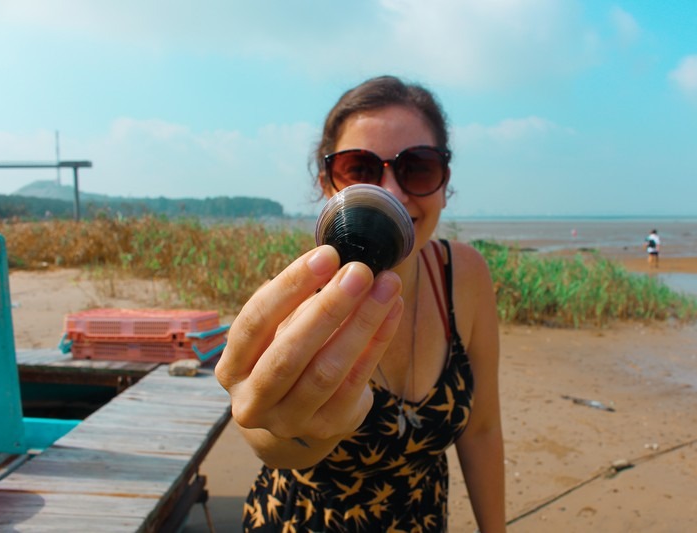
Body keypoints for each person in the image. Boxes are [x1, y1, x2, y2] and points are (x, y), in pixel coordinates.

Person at [215, 75, 505, 532]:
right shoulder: (300, 298)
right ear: (326, 184)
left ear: (445, 184)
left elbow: (483, 428)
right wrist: (279, 431)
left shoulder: (464, 276)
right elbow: (274, 443)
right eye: (359, 169)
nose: (390, 190)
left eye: (419, 167)